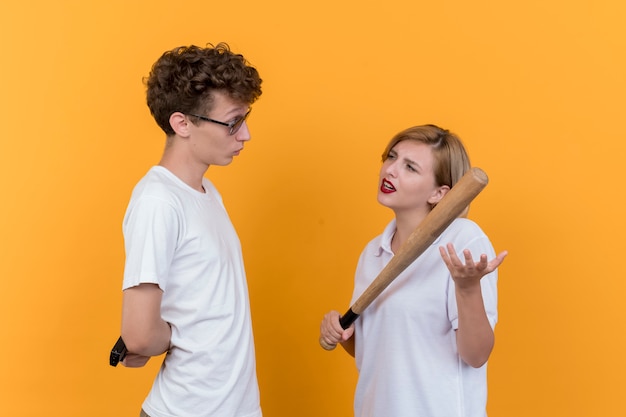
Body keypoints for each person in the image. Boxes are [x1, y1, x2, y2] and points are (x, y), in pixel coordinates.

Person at [319, 125, 507, 417]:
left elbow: (476, 355)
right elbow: (379, 352)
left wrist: (468, 288)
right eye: (391, 157)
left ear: (438, 193)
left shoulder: (462, 239)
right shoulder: (373, 252)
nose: (390, 170)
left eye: (410, 167)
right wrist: (341, 332)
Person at [119, 43, 263, 417]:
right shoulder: (158, 202)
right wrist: (168, 337)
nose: (245, 134)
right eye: (233, 122)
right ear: (182, 123)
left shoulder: (206, 192)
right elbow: (137, 334)